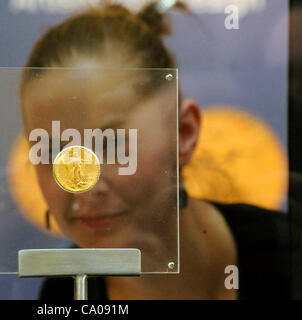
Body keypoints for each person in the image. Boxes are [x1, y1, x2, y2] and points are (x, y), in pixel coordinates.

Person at [19, 1, 291, 299]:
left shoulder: (285, 255)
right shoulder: (66, 292)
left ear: (183, 133)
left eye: (111, 144)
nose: (84, 184)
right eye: (52, 151)